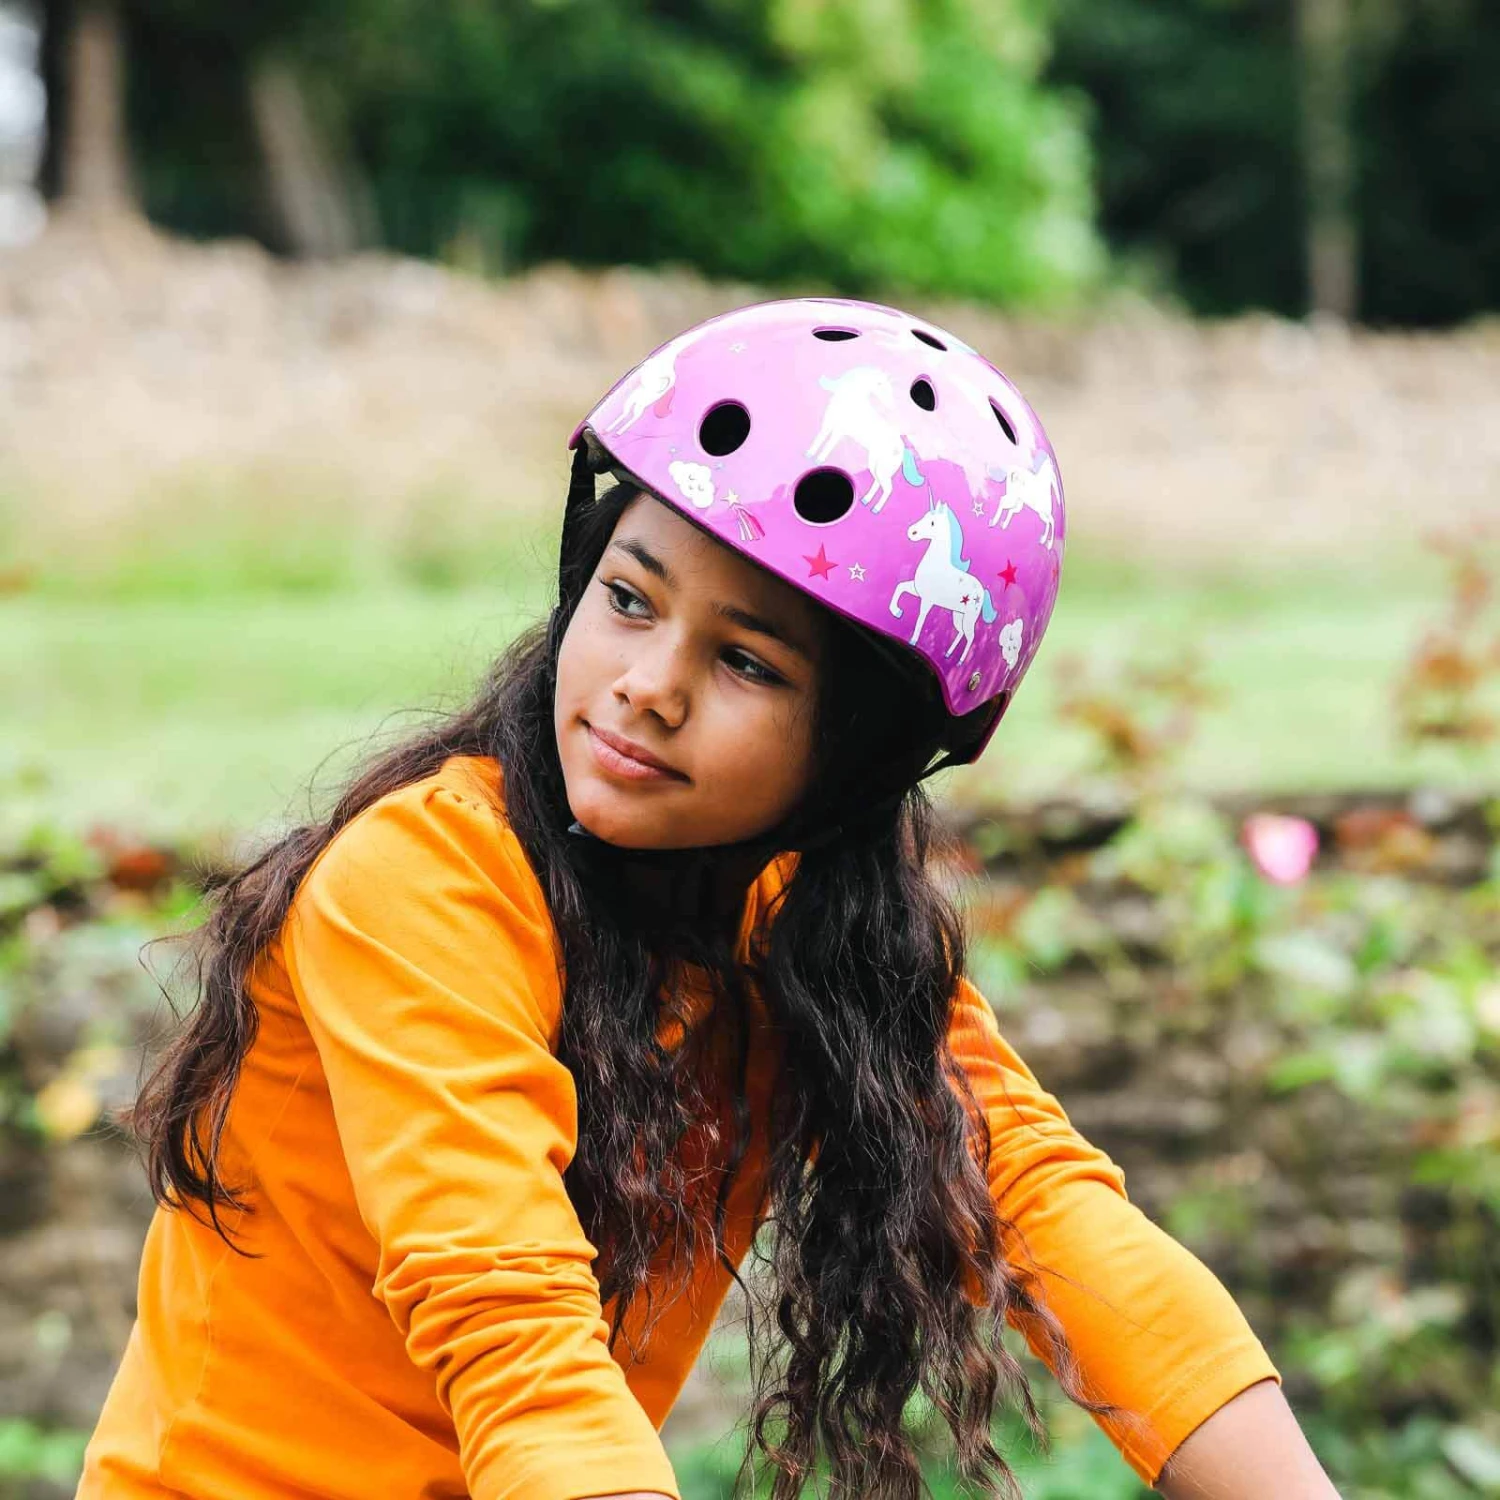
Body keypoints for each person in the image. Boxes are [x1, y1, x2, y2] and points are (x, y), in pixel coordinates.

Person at [78, 298, 1339, 1500]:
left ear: (858, 751)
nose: (647, 684)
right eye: (628, 600)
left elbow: (1058, 1224)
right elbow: (511, 1332)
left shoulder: (811, 932)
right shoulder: (424, 881)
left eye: (745, 661)